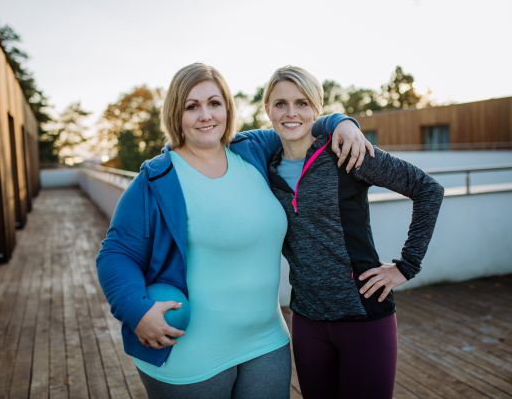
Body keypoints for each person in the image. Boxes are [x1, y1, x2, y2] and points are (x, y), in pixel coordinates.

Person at [96, 63, 374, 399]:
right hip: (190, 352)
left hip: (267, 342)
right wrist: (135, 310)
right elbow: (117, 253)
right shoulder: (156, 179)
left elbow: (299, 123)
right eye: (191, 106)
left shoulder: (254, 150)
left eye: (214, 103)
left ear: (228, 107)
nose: (205, 115)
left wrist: (343, 122)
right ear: (176, 114)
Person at [263, 65, 444, 399]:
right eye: (281, 104)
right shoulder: (266, 168)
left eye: (302, 103)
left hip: (365, 316)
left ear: (316, 110)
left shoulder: (345, 152)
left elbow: (427, 189)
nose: (291, 113)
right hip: (306, 320)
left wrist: (407, 265)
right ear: (267, 110)